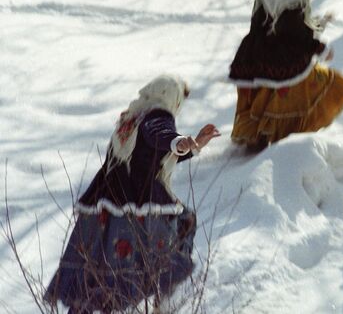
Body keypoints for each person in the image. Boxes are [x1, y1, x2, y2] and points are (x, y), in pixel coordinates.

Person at [44, 75, 221, 313]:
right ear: (169, 97)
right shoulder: (159, 115)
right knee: (182, 226)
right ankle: (160, 298)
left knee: (98, 263)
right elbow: (159, 134)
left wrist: (194, 144)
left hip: (106, 202)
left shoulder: (131, 117)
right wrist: (180, 141)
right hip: (137, 203)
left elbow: (150, 154)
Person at [228, 0, 343, 152]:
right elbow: (292, 30)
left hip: (255, 53)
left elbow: (278, 22)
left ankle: (260, 139)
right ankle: (283, 150)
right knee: (330, 86)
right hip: (282, 59)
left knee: (266, 99)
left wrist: (317, 23)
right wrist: (319, 48)